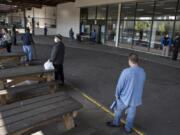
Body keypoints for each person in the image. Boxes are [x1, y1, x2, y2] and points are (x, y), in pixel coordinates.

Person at [107, 53, 146, 133]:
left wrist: (117, 95)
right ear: (137, 61)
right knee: (131, 114)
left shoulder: (126, 71)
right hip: (135, 99)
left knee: (117, 110)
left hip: (124, 97)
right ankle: (128, 129)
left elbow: (120, 85)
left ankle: (116, 123)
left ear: (129, 61)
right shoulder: (142, 71)